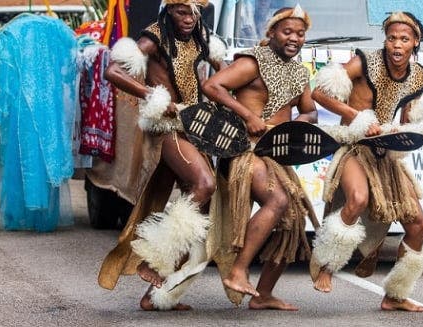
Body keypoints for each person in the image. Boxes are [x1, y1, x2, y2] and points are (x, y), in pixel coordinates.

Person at [97, 0, 227, 310]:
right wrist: (153, 95)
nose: (189, 19)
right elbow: (112, 71)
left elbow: (223, 75)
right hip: (167, 127)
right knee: (204, 185)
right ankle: (153, 265)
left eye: (194, 14)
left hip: (195, 126)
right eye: (182, 12)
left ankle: (159, 294)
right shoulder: (154, 37)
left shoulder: (202, 38)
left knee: (200, 210)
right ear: (168, 10)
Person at [308, 11, 423, 312]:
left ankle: (395, 295)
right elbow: (319, 93)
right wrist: (356, 116)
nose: (397, 45)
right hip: (355, 147)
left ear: (415, 42)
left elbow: (404, 116)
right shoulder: (365, 61)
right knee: (358, 199)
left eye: (404, 39)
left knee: (418, 225)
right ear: (385, 41)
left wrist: (401, 132)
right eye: (391, 38)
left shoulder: (419, 76)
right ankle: (326, 265)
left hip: (384, 155)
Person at [201, 5, 317, 311]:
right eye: (287, 32)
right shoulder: (254, 62)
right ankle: (239, 270)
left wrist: (303, 120)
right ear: (272, 33)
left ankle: (263, 294)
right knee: (277, 201)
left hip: (276, 155)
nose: (294, 38)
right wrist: (247, 115)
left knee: (293, 221)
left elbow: (310, 109)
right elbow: (212, 85)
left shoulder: (300, 73)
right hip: (245, 150)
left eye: (300, 33)